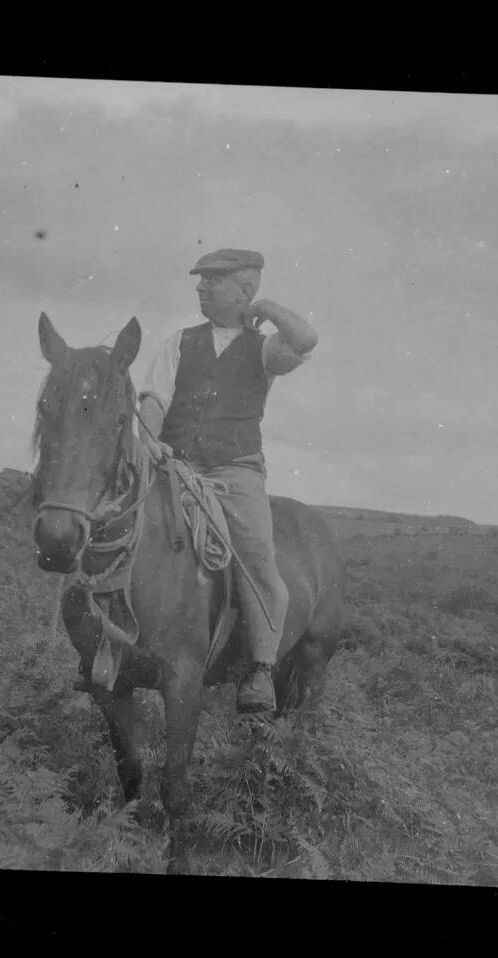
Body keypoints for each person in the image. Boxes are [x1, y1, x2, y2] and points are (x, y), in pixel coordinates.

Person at [137, 248, 318, 713]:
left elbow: (305, 337)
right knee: (122, 529)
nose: (199, 287)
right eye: (200, 280)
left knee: (258, 561)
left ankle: (260, 670)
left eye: (212, 280)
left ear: (244, 288)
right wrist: (149, 440)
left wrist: (265, 309)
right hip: (174, 465)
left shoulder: (264, 349)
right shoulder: (179, 341)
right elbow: (154, 398)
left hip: (234, 471)